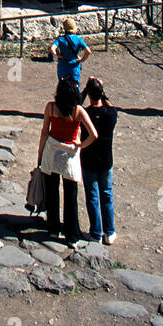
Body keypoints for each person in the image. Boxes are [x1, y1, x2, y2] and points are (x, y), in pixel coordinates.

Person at [35, 77, 98, 245]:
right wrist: (81, 144)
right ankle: (72, 235)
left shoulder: (51, 107)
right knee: (71, 196)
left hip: (52, 150)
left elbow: (44, 133)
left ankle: (53, 228)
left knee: (52, 191)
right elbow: (94, 134)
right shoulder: (78, 111)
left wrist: (39, 155)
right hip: (69, 154)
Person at [80, 77, 118, 245]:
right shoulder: (111, 114)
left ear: (89, 95)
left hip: (88, 160)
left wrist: (86, 89)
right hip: (105, 160)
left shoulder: (84, 114)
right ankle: (110, 232)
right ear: (102, 94)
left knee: (92, 196)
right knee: (107, 195)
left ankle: (96, 232)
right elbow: (109, 104)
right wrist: (100, 89)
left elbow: (76, 105)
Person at [50, 16, 90, 88]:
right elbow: (88, 51)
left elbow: (52, 49)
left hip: (63, 65)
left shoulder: (60, 39)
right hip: (74, 65)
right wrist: (82, 59)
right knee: (75, 86)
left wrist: (58, 55)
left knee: (62, 86)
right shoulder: (78, 39)